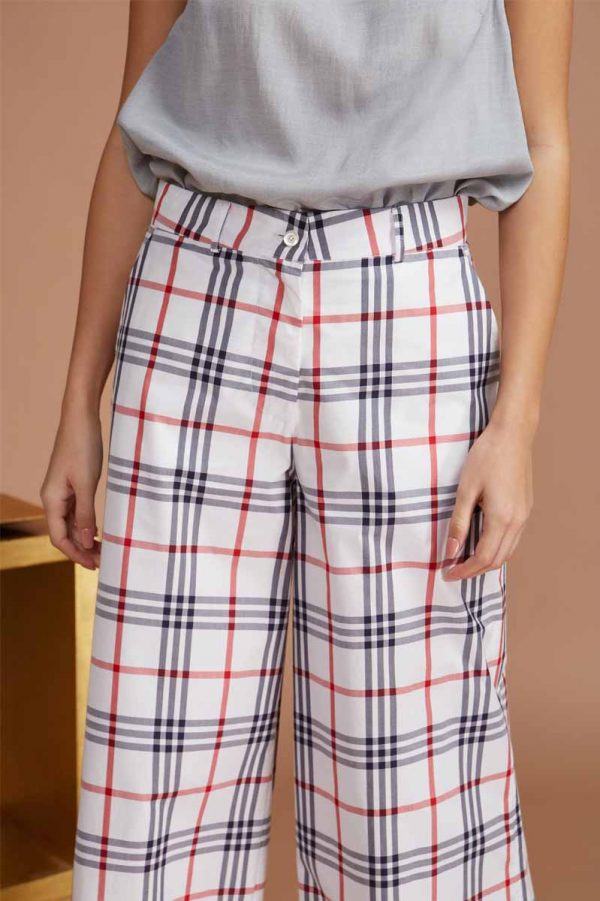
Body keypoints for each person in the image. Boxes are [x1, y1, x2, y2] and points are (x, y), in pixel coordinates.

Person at [40, 1, 573, 898]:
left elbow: (544, 142)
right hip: (196, 295)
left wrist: (516, 421)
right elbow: (136, 121)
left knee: (413, 800)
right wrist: (78, 404)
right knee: (157, 772)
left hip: (407, 315)